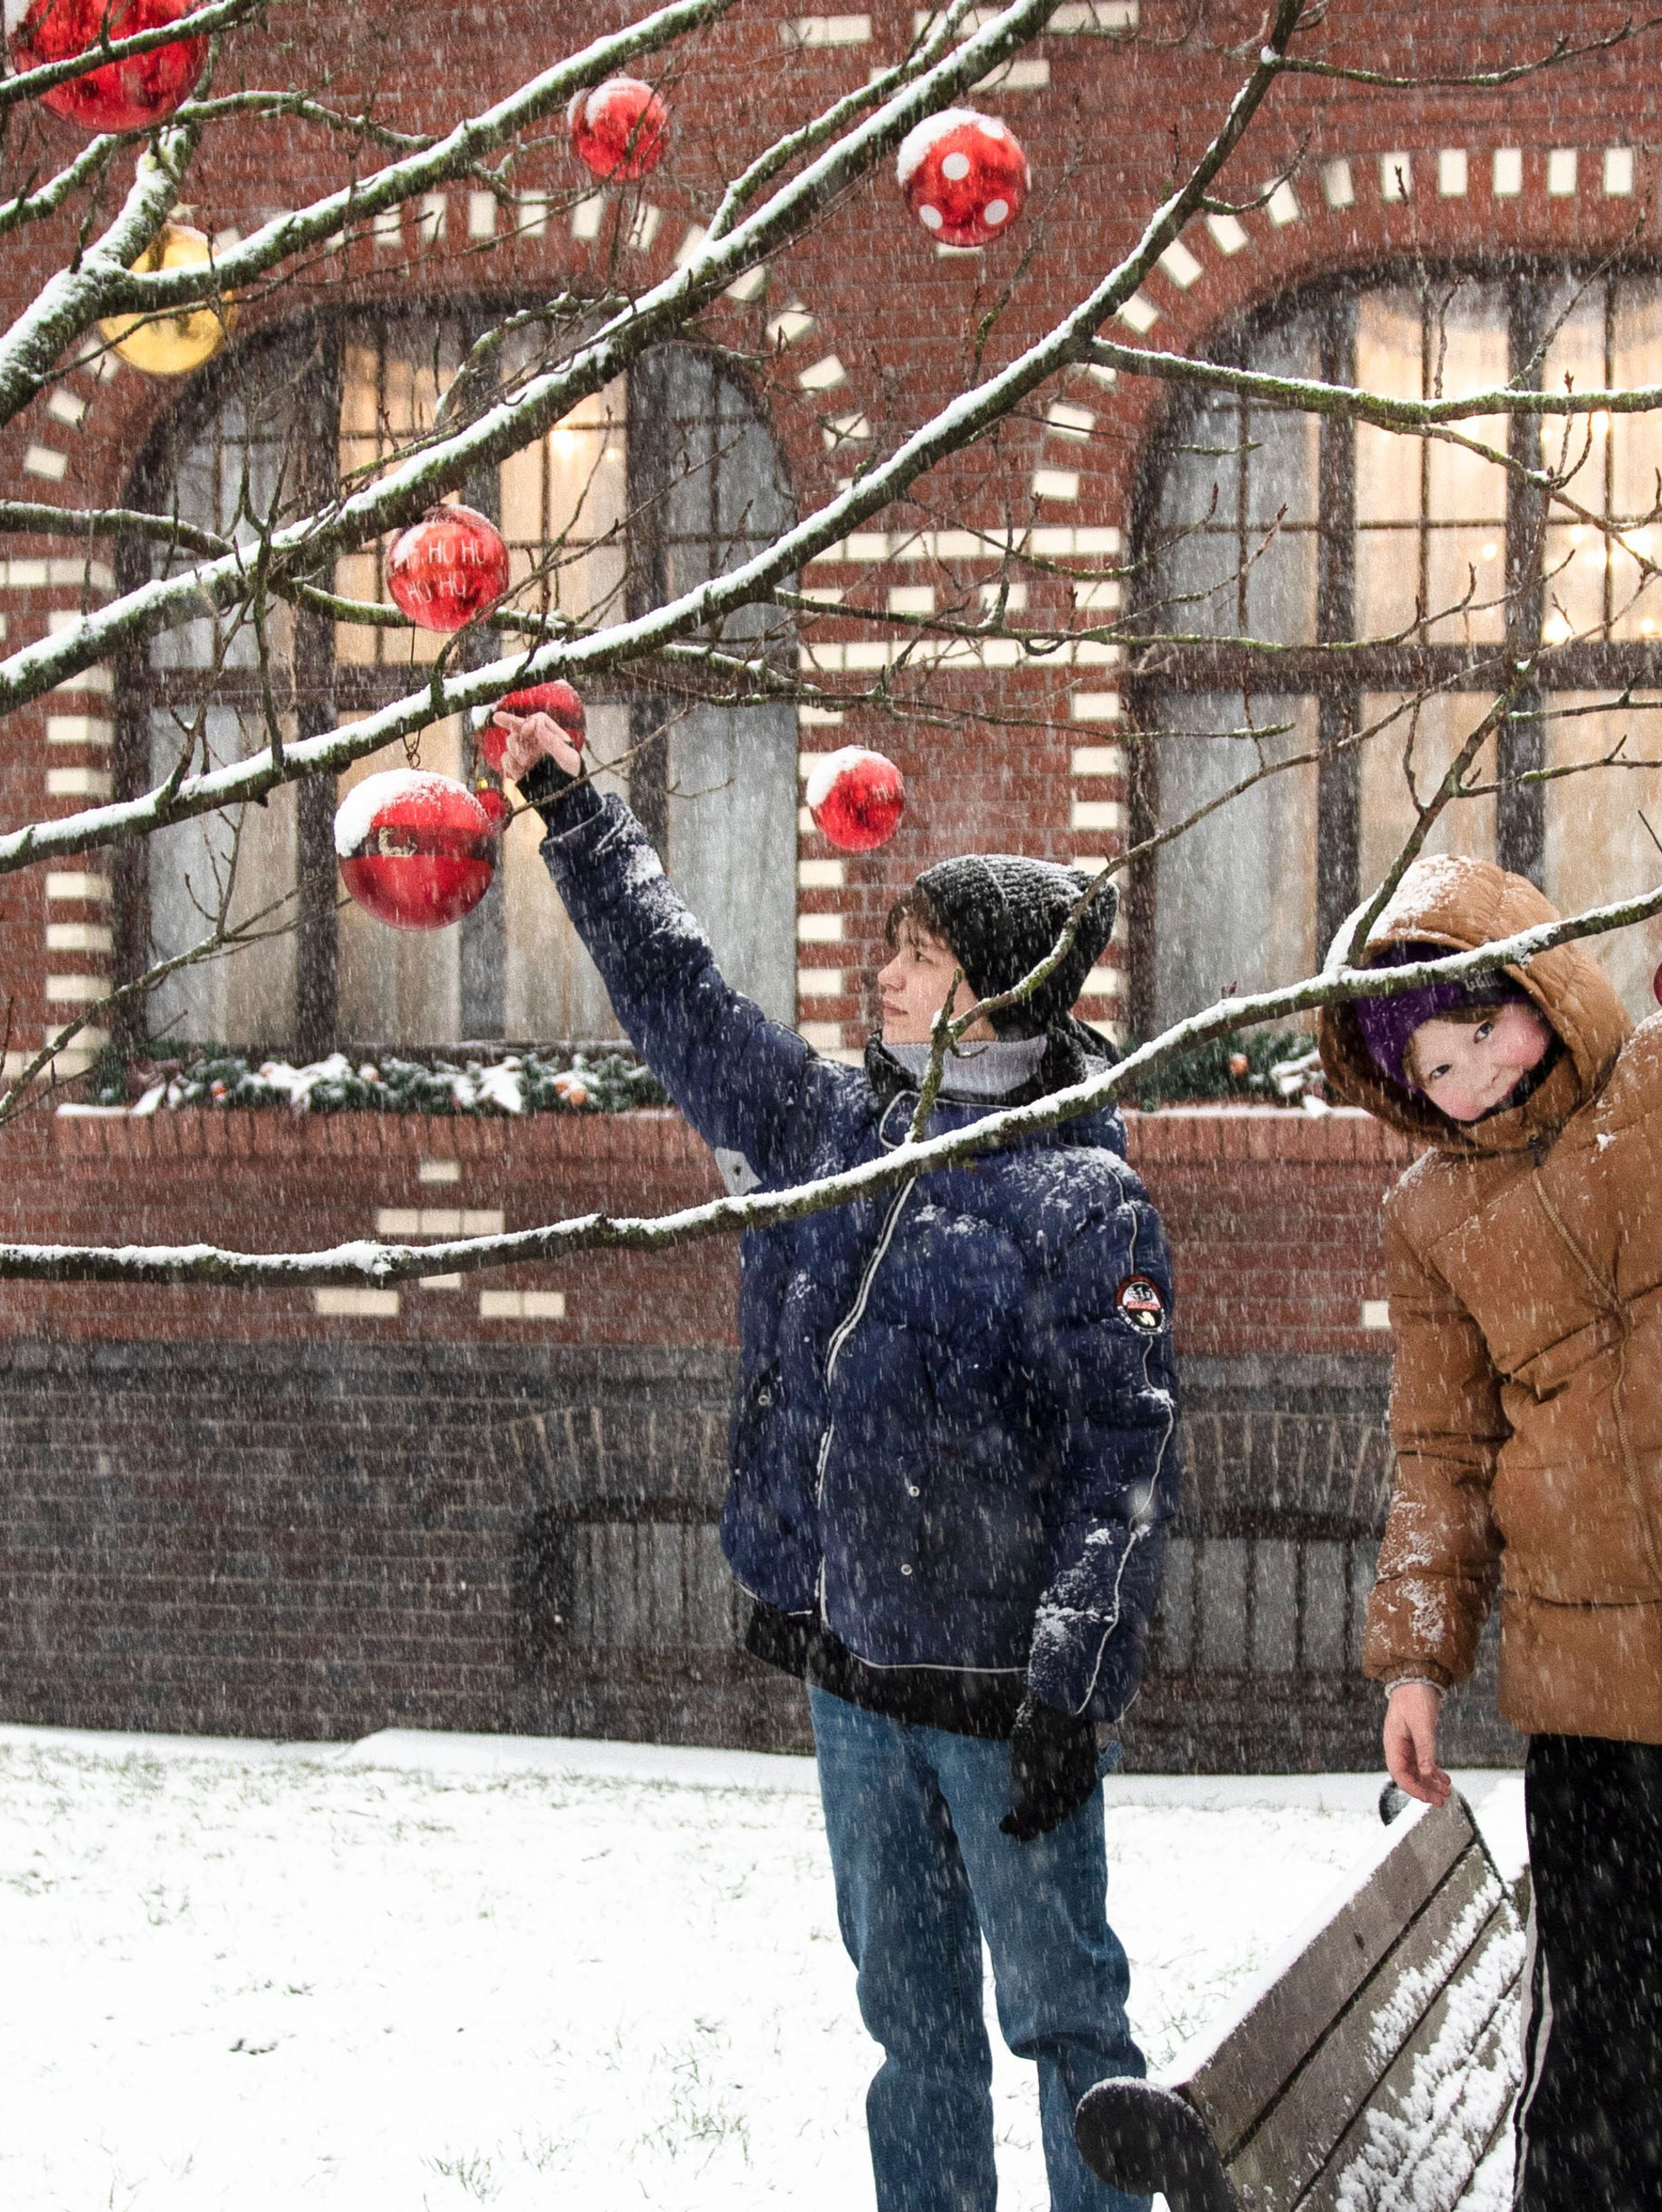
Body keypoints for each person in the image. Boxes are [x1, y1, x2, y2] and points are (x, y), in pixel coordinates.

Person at [495, 708, 1180, 2212]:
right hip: (857, 1686)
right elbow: (682, 1003)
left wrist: (1071, 1681)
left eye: (919, 958)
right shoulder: (832, 1130)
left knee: (1070, 2027)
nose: (884, 976)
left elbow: (1122, 1470)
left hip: (1006, 1710)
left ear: (995, 998)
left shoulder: (1082, 1196)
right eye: (893, 951)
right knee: (912, 2032)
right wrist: (577, 817)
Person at [1318, 822, 1662, 2212]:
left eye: (1480, 1029)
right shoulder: (1432, 1216)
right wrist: (1418, 1657)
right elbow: (1438, 1451)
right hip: (1592, 1710)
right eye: (1431, 1067)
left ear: (1540, 990)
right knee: (1606, 2062)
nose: (1470, 1075)